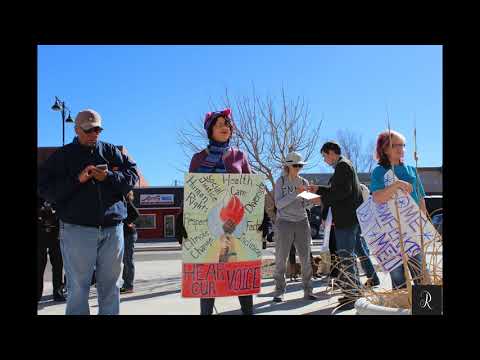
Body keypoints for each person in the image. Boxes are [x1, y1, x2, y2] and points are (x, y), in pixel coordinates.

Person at [38, 109, 139, 315]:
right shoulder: (62, 156)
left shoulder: (111, 151)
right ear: (76, 129)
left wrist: (109, 176)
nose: (94, 134)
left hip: (113, 229)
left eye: (98, 129)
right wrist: (78, 180)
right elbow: (45, 189)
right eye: (89, 130)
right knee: (77, 288)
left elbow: (133, 176)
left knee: (111, 287)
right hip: (76, 229)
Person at [187, 108, 268, 315]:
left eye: (227, 124)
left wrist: (262, 217)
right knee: (208, 277)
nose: (225, 127)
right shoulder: (197, 159)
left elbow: (252, 192)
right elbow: (191, 195)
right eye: (219, 123)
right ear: (210, 129)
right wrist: (183, 220)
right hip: (207, 227)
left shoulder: (240, 156)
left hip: (238, 224)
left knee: (241, 275)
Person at [370, 130, 428, 289]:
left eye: (403, 145)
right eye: (396, 145)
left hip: (412, 229)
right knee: (398, 277)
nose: (401, 149)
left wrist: (423, 221)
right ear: (385, 148)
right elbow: (377, 197)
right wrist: (396, 185)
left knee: (421, 273)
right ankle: (402, 310)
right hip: (390, 232)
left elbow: (421, 198)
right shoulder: (379, 172)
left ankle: (428, 310)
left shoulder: (411, 170)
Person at [309, 141, 363, 309]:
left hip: (346, 219)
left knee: (346, 257)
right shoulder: (344, 166)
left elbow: (341, 192)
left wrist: (321, 198)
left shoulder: (342, 166)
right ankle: (353, 292)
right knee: (347, 256)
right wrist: (318, 189)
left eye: (325, 156)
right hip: (347, 218)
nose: (325, 160)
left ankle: (353, 295)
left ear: (331, 152)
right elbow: (338, 190)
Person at [272, 151, 320, 302]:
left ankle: (308, 290)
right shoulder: (281, 181)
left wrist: (313, 199)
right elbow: (278, 204)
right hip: (284, 222)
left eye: (300, 165)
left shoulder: (304, 182)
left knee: (306, 258)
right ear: (288, 165)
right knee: (281, 258)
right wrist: (295, 193)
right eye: (295, 165)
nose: (298, 167)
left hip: (302, 222)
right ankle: (279, 291)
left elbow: (306, 204)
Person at [37, 196, 66, 302]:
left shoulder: (55, 186)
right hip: (40, 228)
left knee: (58, 262)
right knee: (39, 263)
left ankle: (58, 291)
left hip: (56, 229)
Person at [355, 183, 380, 287]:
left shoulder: (360, 187)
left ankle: (372, 277)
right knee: (361, 249)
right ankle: (372, 277)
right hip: (361, 221)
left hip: (355, 221)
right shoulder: (363, 187)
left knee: (359, 250)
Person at [120, 190, 140, 294]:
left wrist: (127, 222)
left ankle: (128, 286)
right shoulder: (123, 202)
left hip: (129, 235)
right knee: (125, 261)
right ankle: (126, 284)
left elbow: (136, 214)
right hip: (125, 235)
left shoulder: (127, 203)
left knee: (128, 260)